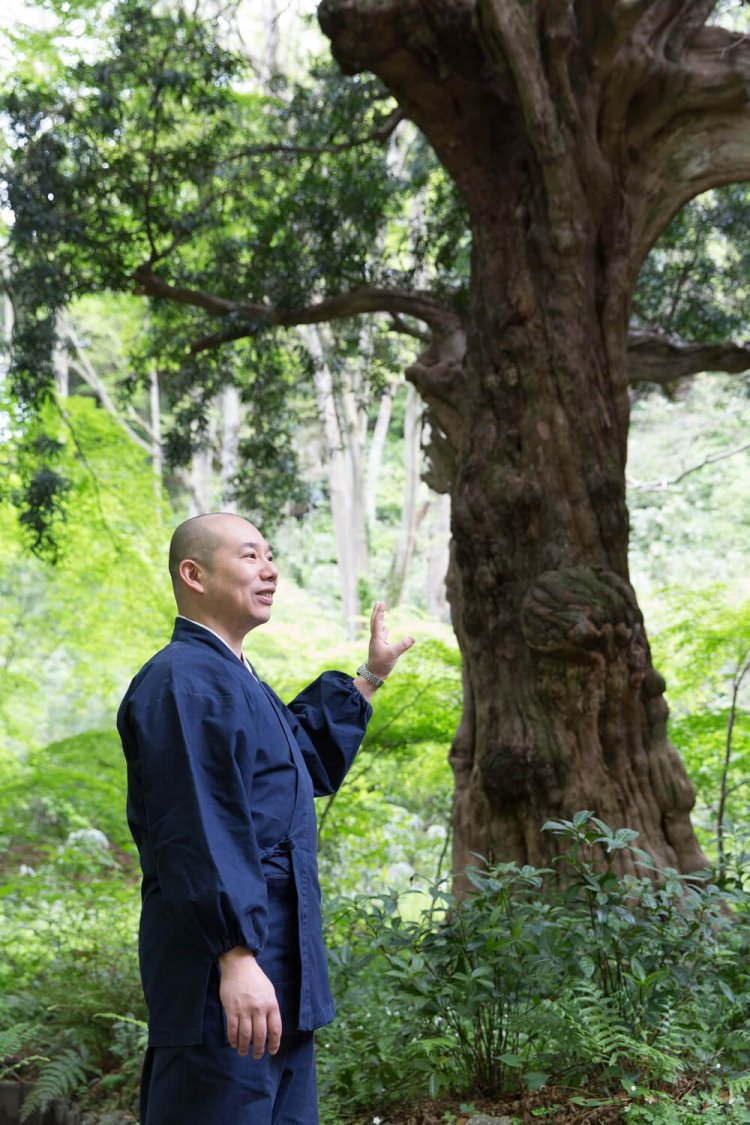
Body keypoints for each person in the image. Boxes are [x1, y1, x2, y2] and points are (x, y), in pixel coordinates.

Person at [117, 512, 414, 1125]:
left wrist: (369, 677)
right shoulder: (182, 682)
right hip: (221, 975)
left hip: (278, 968)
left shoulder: (235, 678)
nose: (271, 570)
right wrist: (234, 955)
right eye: (250, 556)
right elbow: (195, 828)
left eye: (269, 556)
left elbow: (299, 768)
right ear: (193, 574)